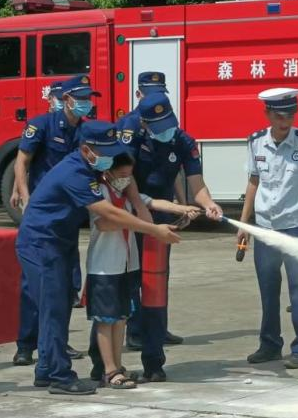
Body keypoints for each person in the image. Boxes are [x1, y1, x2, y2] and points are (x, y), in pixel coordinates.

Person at [16, 121, 181, 395]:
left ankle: (46, 369)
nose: (108, 157)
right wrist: (153, 229)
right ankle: (60, 376)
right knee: (54, 308)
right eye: (103, 151)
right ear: (86, 149)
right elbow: (108, 213)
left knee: (58, 306)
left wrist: (141, 205)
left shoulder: (90, 166)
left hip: (61, 241)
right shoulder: (75, 173)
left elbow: (127, 179)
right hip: (41, 243)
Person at [124, 92, 222, 382]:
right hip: (128, 222)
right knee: (125, 290)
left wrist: (208, 203)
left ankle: (154, 362)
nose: (166, 130)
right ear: (144, 123)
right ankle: (107, 364)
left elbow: (196, 182)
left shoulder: (182, 142)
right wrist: (141, 210)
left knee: (155, 291)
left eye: (169, 122)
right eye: (159, 125)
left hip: (160, 228)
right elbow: (123, 179)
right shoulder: (131, 139)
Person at [85, 153, 200, 388]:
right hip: (104, 267)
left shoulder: (128, 197)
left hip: (127, 265)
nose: (127, 180)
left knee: (121, 319)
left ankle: (117, 367)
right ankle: (109, 371)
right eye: (122, 175)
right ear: (108, 173)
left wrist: (184, 209)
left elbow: (155, 202)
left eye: (130, 176)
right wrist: (147, 226)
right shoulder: (100, 195)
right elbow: (103, 224)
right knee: (106, 320)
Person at [12, 74, 101, 366]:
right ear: (66, 99)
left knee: (66, 284)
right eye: (82, 98)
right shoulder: (42, 124)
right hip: (41, 216)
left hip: (68, 219)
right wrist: (25, 198)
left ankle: (55, 344)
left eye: (89, 98)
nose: (86, 103)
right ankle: (26, 344)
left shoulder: (86, 133)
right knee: (34, 285)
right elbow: (22, 162)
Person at [238, 87, 298, 369]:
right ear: (268, 114)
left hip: (297, 228)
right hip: (266, 230)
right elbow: (253, 183)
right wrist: (244, 222)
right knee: (268, 289)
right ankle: (270, 345)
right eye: (279, 115)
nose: (285, 121)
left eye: (289, 115)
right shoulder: (255, 143)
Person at [118, 72, 189, 349]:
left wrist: (181, 204)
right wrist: (140, 208)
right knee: (136, 273)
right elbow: (125, 175)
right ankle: (135, 331)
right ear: (139, 94)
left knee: (160, 271)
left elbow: (174, 170)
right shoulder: (130, 127)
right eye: (150, 92)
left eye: (161, 92)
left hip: (163, 209)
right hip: (138, 211)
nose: (157, 97)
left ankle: (158, 326)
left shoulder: (167, 126)